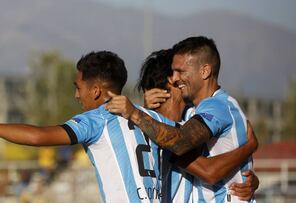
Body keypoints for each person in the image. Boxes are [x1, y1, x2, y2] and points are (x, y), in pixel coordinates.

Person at [0, 51, 171, 203]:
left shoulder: (98, 119)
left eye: (78, 87)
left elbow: (39, 137)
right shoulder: (151, 119)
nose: (77, 95)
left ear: (95, 91)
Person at [106, 36, 256, 202]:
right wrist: (147, 112)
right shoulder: (192, 113)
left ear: (205, 71)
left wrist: (135, 113)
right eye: (173, 73)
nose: (176, 79)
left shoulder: (218, 107)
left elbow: (182, 145)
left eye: (181, 72)